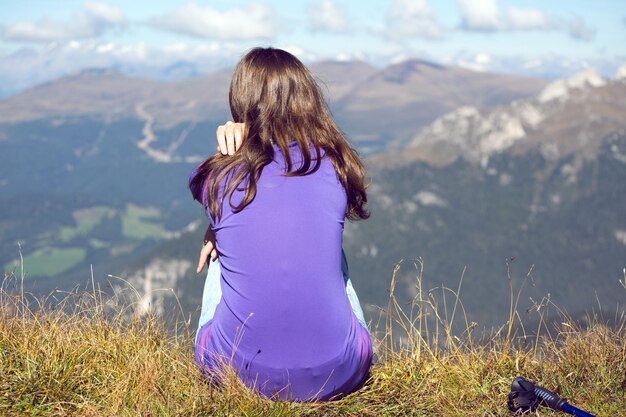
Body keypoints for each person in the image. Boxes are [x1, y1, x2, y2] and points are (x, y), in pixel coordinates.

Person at [188, 47, 372, 401]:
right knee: (334, 253)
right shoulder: (337, 166)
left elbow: (214, 198)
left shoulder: (217, 175)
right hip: (341, 371)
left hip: (233, 372)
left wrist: (233, 143)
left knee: (221, 249)